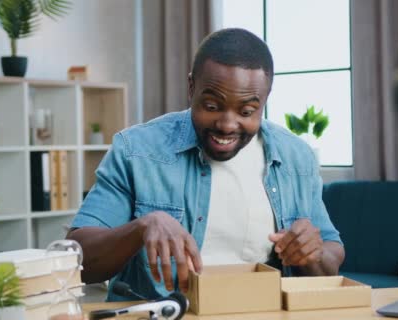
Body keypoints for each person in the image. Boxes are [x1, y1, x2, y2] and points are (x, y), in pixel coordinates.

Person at [66, 28, 345, 301]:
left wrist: (313, 252)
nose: (226, 125)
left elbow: (331, 257)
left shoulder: (297, 157)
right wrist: (141, 227)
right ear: (191, 87)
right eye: (212, 106)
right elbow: (79, 261)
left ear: (265, 100)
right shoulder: (136, 151)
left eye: (246, 111)